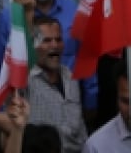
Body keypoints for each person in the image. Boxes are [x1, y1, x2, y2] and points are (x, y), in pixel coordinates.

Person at [25, 16, 89, 153]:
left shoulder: (71, 77)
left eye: (58, 39)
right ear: (34, 45)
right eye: (46, 40)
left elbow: (81, 129)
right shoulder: (25, 80)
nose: (54, 45)